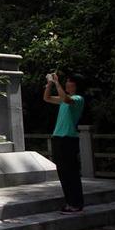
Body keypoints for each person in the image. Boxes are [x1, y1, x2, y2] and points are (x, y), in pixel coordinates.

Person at [44, 73, 86, 214]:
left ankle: (76, 203)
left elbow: (66, 99)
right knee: (63, 173)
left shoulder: (78, 98)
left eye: (69, 82)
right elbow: (47, 98)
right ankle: (69, 202)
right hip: (58, 137)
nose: (67, 84)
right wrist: (50, 84)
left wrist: (57, 83)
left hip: (69, 138)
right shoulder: (64, 100)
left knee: (71, 172)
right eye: (66, 82)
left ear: (75, 85)